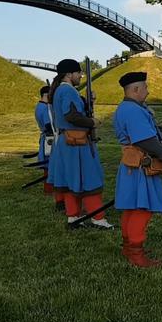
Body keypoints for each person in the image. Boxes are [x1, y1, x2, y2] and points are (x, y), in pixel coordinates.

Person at [114, 72, 162, 268]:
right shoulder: (133, 110)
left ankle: (129, 248)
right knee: (142, 209)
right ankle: (136, 252)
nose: (148, 91)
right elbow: (145, 140)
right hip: (140, 166)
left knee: (132, 208)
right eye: (145, 87)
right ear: (135, 90)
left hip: (132, 165)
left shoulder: (128, 108)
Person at [47, 59, 113, 229]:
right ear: (69, 74)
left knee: (71, 180)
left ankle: (73, 216)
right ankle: (97, 218)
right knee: (89, 178)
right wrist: (92, 122)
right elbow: (72, 116)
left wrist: (88, 102)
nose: (81, 75)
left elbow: (74, 111)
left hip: (66, 141)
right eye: (78, 73)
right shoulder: (67, 91)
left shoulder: (61, 90)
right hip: (76, 141)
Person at [34, 85, 65, 210]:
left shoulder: (39, 106)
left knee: (48, 165)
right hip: (50, 139)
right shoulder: (45, 108)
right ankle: (49, 190)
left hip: (46, 139)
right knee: (50, 165)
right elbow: (49, 125)